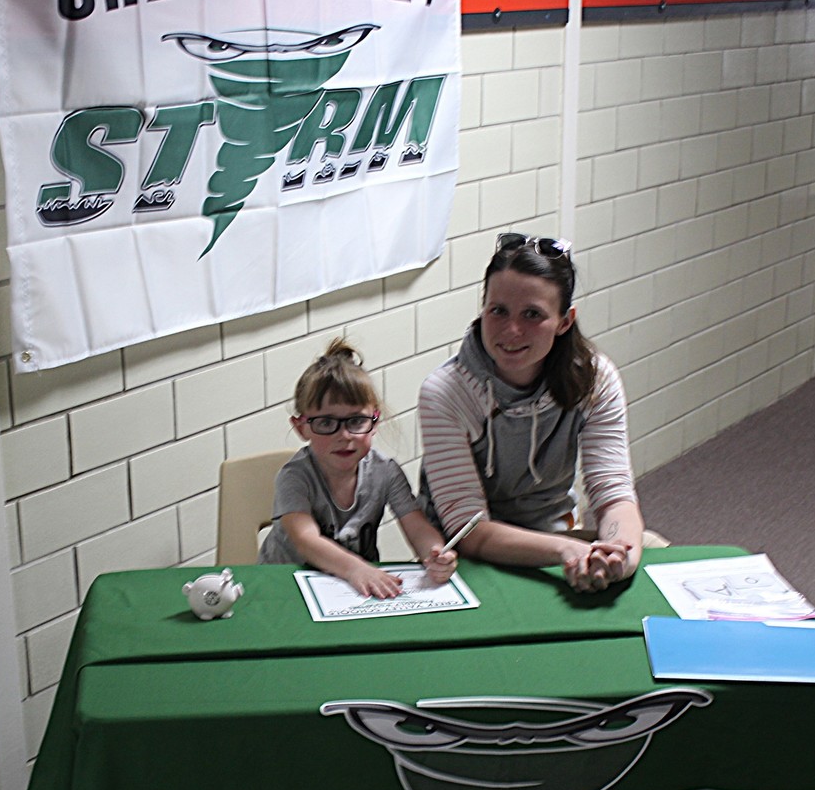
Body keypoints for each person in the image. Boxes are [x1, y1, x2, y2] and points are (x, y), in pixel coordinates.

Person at [418, 232, 644, 593]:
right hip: (466, 561)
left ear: (565, 322)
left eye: (533, 314)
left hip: (555, 543)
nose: (511, 330)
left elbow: (613, 492)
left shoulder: (595, 379)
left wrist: (619, 554)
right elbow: (469, 529)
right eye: (498, 311)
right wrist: (569, 550)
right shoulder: (444, 393)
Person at [259, 338, 457, 598]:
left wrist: (435, 554)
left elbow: (417, 527)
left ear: (374, 422)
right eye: (326, 422)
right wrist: (356, 570)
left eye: (356, 421)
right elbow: (306, 540)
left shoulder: (385, 471)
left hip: (351, 593)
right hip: (286, 588)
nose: (344, 435)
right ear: (301, 427)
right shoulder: (294, 476)